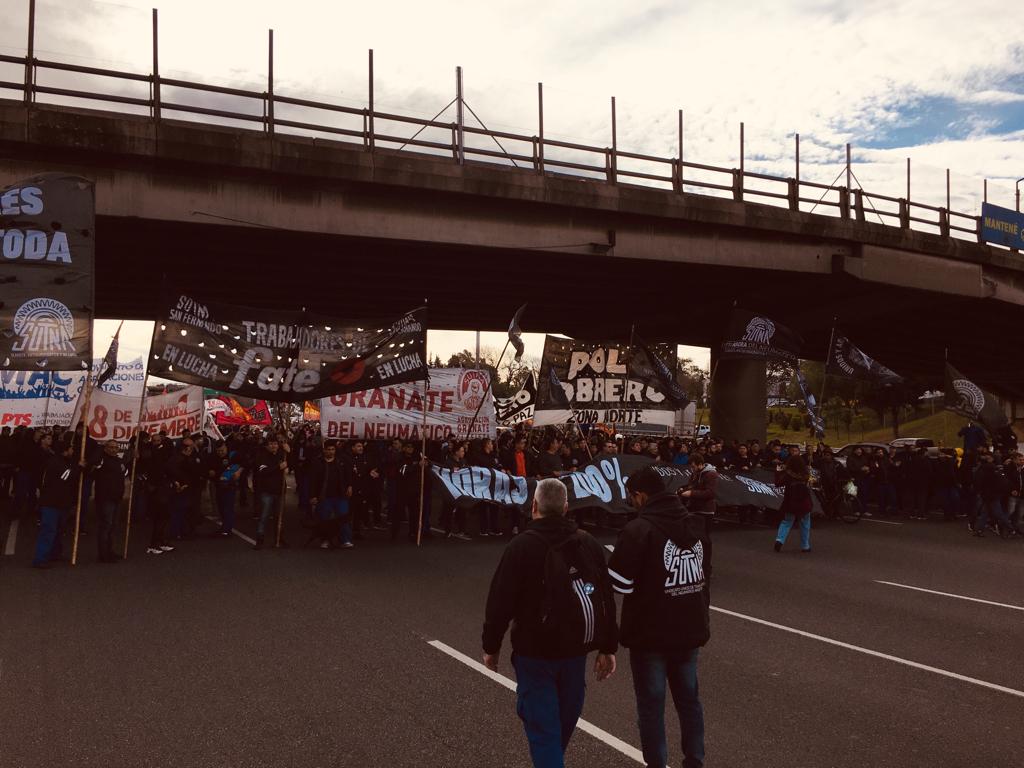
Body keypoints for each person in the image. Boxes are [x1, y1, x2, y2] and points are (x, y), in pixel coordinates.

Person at [482, 478, 617, 768]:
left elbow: (500, 601)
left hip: (535, 650)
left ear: (534, 506)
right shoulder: (588, 542)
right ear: (566, 507)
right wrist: (607, 646)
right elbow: (605, 595)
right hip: (575, 649)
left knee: (544, 730)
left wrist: (491, 646)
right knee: (560, 726)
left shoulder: (521, 546)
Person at [608, 465, 710, 768]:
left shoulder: (639, 530)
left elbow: (620, 582)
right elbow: (706, 575)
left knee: (652, 706)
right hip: (689, 627)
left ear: (640, 495)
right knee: (689, 701)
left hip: (649, 632)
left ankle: (657, 764)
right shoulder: (696, 525)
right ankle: (695, 760)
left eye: (632, 497)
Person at [31, 435, 79, 569]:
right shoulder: (55, 462)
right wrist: (78, 467)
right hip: (51, 502)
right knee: (48, 530)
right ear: (64, 450)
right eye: (70, 449)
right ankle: (40, 558)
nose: (72, 451)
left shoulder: (63, 461)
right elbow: (67, 476)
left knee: (58, 530)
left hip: (62, 502)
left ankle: (54, 553)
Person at [308, 440, 353, 548]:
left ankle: (345, 539)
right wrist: (312, 496)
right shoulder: (317, 462)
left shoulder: (341, 461)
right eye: (328, 450)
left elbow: (348, 474)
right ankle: (325, 540)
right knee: (324, 518)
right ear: (324, 450)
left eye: (333, 449)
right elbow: (313, 480)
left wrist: (350, 486)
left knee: (343, 517)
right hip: (324, 496)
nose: (331, 452)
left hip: (340, 495)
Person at [92, 440, 127, 563]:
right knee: (106, 525)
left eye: (116, 447)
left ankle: (110, 551)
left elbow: (125, 472)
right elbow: (94, 463)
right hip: (105, 498)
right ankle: (103, 554)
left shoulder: (119, 461)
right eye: (111, 447)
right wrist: (100, 449)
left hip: (117, 497)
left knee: (113, 526)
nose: (113, 449)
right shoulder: (102, 460)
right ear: (106, 448)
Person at [253, 436, 288, 550]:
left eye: (275, 444)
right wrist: (279, 467)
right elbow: (263, 472)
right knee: (264, 516)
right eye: (271, 444)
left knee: (279, 517)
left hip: (279, 491)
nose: (273, 446)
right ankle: (260, 539)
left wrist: (289, 452)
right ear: (267, 446)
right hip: (267, 491)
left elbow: (291, 463)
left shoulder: (282, 455)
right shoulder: (262, 457)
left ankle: (279, 538)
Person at [773, 456, 813, 553]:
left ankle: (780, 540)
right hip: (804, 501)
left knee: (786, 522)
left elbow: (778, 483)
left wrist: (778, 472)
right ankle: (805, 545)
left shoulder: (788, 474)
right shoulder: (806, 474)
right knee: (805, 523)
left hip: (791, 501)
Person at [208, 441, 242, 537]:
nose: (220, 453)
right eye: (218, 451)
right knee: (221, 507)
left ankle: (227, 529)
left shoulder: (233, 455)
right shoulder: (214, 457)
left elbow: (244, 464)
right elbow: (210, 467)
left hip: (229, 484)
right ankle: (224, 526)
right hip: (219, 484)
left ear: (226, 447)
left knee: (228, 507)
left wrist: (239, 472)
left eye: (222, 450)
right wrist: (211, 472)